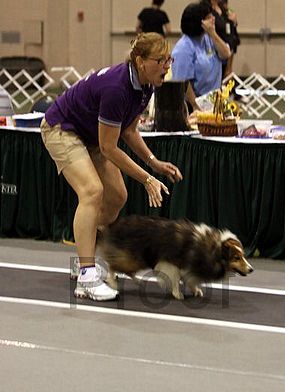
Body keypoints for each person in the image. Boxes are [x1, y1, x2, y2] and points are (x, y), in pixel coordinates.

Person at [40, 32, 183, 302]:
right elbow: (109, 148)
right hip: (62, 129)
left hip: (90, 134)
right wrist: (146, 179)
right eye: (161, 60)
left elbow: (128, 131)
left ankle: (84, 258)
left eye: (169, 59)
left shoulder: (147, 85)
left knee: (117, 196)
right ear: (141, 61)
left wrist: (154, 163)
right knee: (92, 192)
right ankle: (86, 276)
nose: (167, 66)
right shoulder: (117, 88)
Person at [171, 1, 230, 111]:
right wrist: (195, 106)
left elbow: (226, 54)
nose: (213, 18)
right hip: (194, 104)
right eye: (208, 17)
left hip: (215, 100)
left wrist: (213, 33)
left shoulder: (208, 38)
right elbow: (184, 82)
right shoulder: (183, 48)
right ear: (199, 22)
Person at [198, 0, 236, 78]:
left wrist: (233, 22)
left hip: (225, 53)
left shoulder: (223, 8)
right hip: (212, 56)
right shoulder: (204, 8)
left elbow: (231, 34)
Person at [220, 0, 240, 76]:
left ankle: (228, 86)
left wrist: (234, 21)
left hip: (231, 42)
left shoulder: (230, 13)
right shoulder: (219, 16)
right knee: (226, 69)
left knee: (229, 69)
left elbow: (234, 26)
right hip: (224, 42)